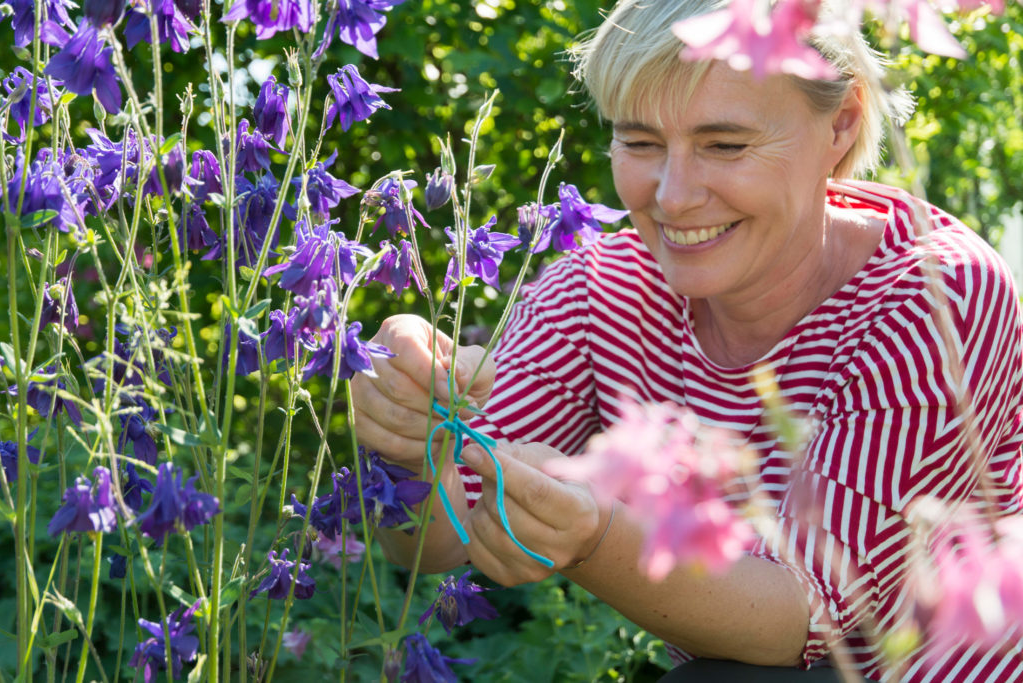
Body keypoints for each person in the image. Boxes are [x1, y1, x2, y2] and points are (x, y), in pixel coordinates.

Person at [350, 0, 1023, 680]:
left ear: (841, 124)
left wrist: (597, 536)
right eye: (639, 142)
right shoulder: (602, 292)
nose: (671, 196)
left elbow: (801, 624)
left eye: (724, 145)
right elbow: (432, 544)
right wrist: (411, 435)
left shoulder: (936, 295)